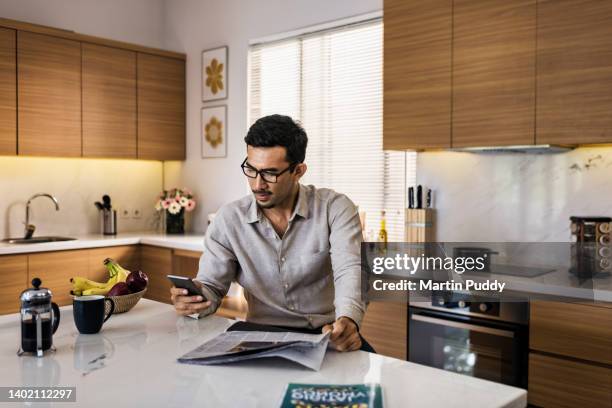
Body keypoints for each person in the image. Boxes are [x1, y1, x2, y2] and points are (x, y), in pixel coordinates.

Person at [170, 114, 371, 352]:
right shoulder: (229, 219)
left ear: (298, 171)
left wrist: (348, 320)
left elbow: (350, 269)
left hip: (327, 334)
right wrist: (195, 300)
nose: (257, 184)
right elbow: (211, 287)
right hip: (258, 335)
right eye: (251, 170)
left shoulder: (335, 208)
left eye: (270, 173)